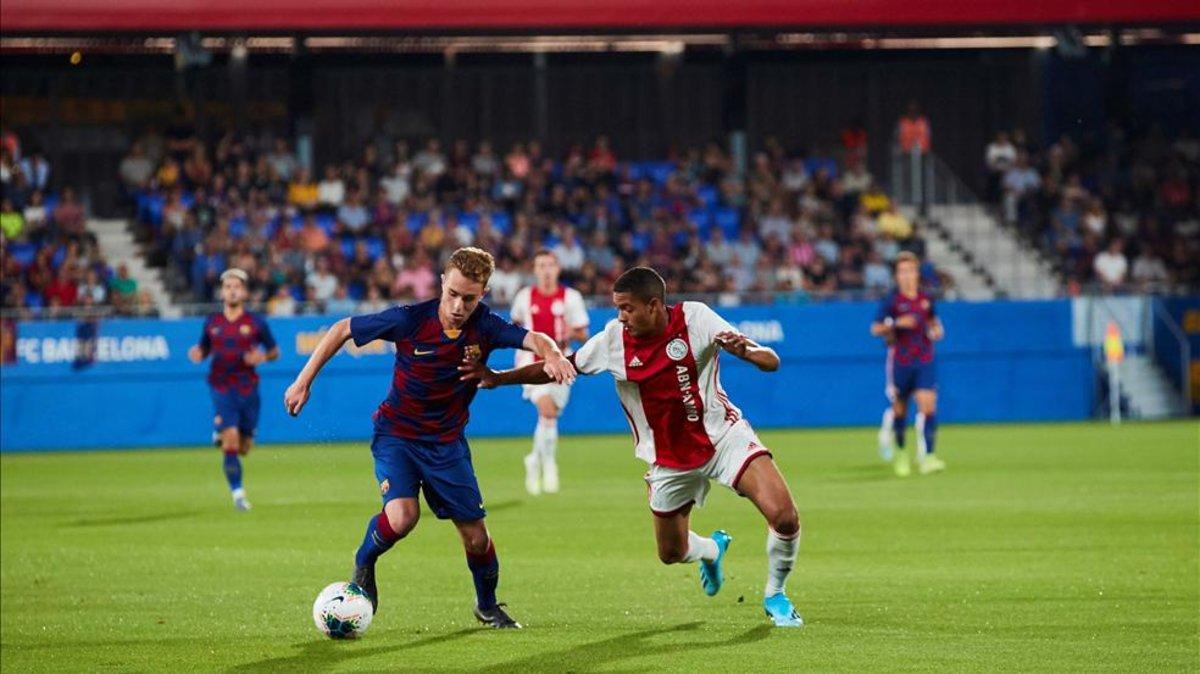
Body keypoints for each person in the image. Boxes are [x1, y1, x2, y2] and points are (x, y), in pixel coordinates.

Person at [462, 267, 805, 628]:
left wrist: (751, 354)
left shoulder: (696, 317)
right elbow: (561, 367)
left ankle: (775, 594)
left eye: (627, 309)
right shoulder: (613, 341)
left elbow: (770, 359)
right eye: (617, 309)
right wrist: (498, 379)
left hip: (723, 437)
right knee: (671, 553)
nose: (620, 317)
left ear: (654, 305)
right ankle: (712, 550)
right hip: (667, 460)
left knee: (784, 515)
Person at [283, 247, 574, 629]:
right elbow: (341, 330)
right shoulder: (410, 320)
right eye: (452, 293)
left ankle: (487, 606)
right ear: (442, 283)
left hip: (446, 445)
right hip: (397, 435)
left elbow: (536, 339)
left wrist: (552, 354)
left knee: (476, 538)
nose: (457, 305)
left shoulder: (485, 325)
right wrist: (303, 382)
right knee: (403, 517)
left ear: (483, 293)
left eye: (469, 298)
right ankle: (364, 560)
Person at [188, 269, 279, 510]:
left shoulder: (256, 322)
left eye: (236, 286)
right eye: (228, 286)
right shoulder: (212, 322)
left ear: (245, 292)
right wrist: (199, 353)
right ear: (222, 292)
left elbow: (274, 351)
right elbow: (204, 349)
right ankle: (238, 494)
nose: (232, 290)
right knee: (231, 438)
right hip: (221, 385)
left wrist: (261, 356)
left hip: (248, 387)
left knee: (244, 447)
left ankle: (222, 434)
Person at [509, 250, 590, 495]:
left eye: (550, 265)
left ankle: (534, 459)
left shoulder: (571, 297)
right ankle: (549, 464)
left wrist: (569, 333)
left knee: (550, 416)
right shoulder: (524, 296)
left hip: (562, 362)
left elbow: (583, 333)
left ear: (557, 269)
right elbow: (514, 326)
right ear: (534, 270)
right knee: (547, 410)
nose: (545, 270)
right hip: (531, 363)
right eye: (541, 265)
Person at [870, 252, 946, 477]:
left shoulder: (926, 298)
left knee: (928, 406)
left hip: (924, 359)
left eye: (910, 271)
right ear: (896, 275)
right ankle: (901, 453)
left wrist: (937, 329)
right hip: (900, 362)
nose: (907, 276)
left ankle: (929, 457)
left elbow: (933, 321)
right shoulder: (892, 301)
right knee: (900, 411)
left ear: (917, 273)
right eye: (902, 271)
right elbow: (875, 328)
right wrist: (895, 323)